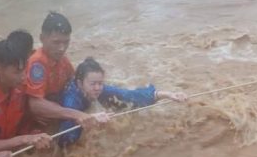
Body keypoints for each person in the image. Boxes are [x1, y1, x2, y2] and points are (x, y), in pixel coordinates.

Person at [58, 57, 187, 146]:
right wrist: (89, 119)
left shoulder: (99, 90)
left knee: (124, 100)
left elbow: (133, 97)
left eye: (100, 83)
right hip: (71, 106)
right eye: (93, 84)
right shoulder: (71, 101)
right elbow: (65, 140)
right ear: (80, 83)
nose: (97, 88)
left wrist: (168, 94)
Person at [26, 12, 106, 130]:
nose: (62, 48)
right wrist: (77, 114)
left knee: (113, 93)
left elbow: (74, 82)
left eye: (66, 42)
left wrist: (95, 87)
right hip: (51, 112)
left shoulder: (62, 60)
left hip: (62, 103)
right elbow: (35, 105)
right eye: (56, 42)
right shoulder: (37, 64)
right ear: (42, 39)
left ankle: (142, 96)